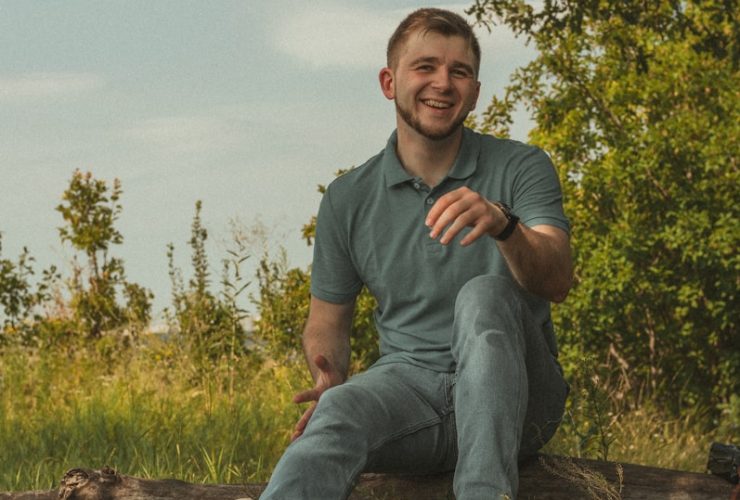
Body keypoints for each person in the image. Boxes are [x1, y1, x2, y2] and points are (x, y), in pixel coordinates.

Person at [260, 7, 572, 500]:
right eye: (425, 66)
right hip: (410, 392)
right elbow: (326, 321)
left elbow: (556, 280)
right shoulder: (348, 197)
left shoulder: (521, 165)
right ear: (389, 82)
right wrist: (329, 375)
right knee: (338, 410)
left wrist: (505, 226)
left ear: (474, 91)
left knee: (484, 296)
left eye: (459, 71)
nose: (442, 83)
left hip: (521, 397)